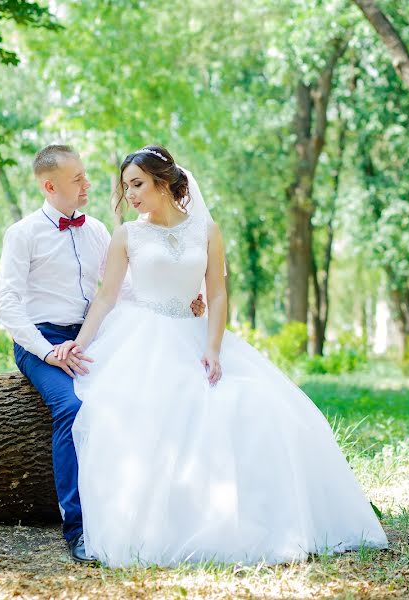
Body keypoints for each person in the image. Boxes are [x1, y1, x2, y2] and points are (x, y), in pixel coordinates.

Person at [54, 145, 388, 567]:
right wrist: (78, 346)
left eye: (137, 184)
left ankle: (264, 519)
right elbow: (105, 298)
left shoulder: (207, 230)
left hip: (197, 334)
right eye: (126, 187)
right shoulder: (127, 235)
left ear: (164, 182)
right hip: (144, 338)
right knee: (146, 413)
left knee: (261, 405)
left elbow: (215, 292)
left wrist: (212, 348)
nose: (130, 194)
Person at [0, 144, 204, 564]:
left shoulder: (98, 233)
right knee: (74, 407)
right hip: (43, 340)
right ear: (50, 186)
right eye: (77, 180)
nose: (88, 184)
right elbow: (7, 304)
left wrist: (183, 300)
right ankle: (78, 528)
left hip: (93, 335)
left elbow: (119, 291)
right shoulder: (23, 233)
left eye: (85, 176)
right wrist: (48, 351)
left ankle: (137, 511)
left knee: (130, 398)